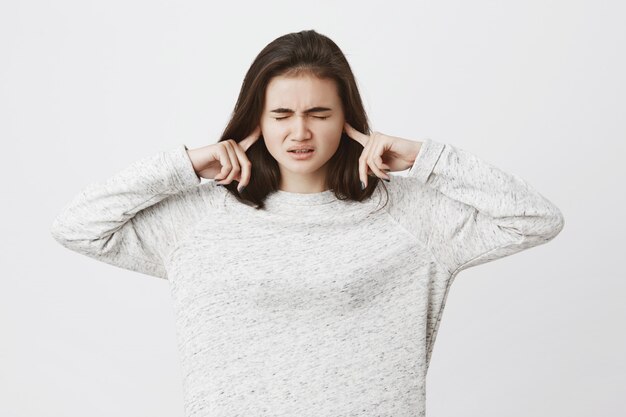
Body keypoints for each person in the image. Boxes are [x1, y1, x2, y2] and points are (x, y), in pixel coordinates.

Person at [50, 29, 565, 417]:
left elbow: (535, 219)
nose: (300, 132)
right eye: (281, 115)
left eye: (319, 113)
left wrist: (425, 158)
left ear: (347, 121)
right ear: (255, 120)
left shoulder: (410, 215)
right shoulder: (200, 219)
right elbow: (78, 226)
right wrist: (184, 166)